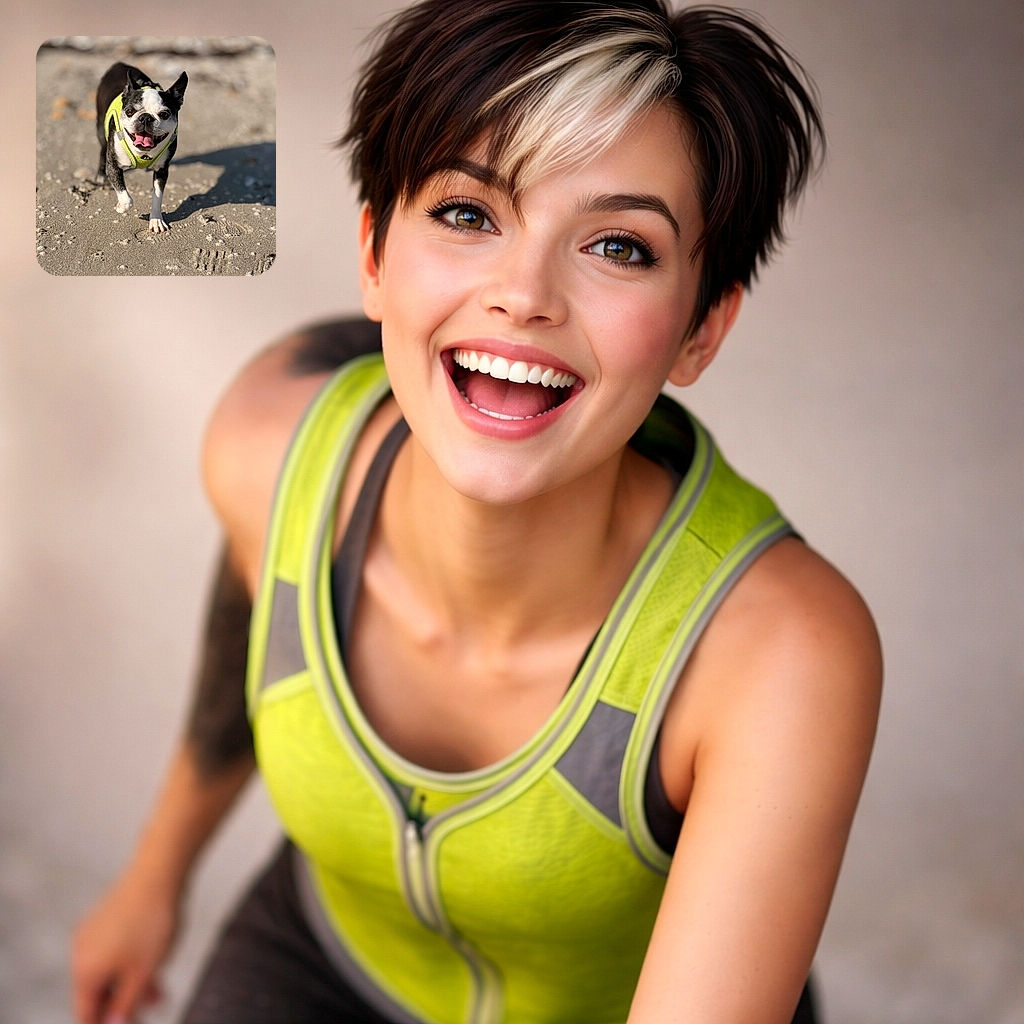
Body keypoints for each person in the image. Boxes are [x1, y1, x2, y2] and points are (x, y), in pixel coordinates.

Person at [72, 1, 882, 1022]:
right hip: (322, 960)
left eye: (620, 246)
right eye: (467, 213)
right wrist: (155, 879)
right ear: (373, 252)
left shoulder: (781, 655)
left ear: (699, 329)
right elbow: (251, 596)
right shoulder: (266, 448)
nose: (523, 293)